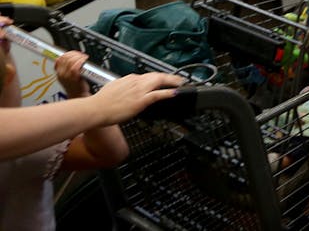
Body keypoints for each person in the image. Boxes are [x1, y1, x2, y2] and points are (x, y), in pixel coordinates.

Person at [1, 17, 183, 229]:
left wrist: (80, 94)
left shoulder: (21, 141)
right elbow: (108, 154)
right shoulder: (21, 149)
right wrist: (99, 105)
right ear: (9, 77)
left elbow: (105, 152)